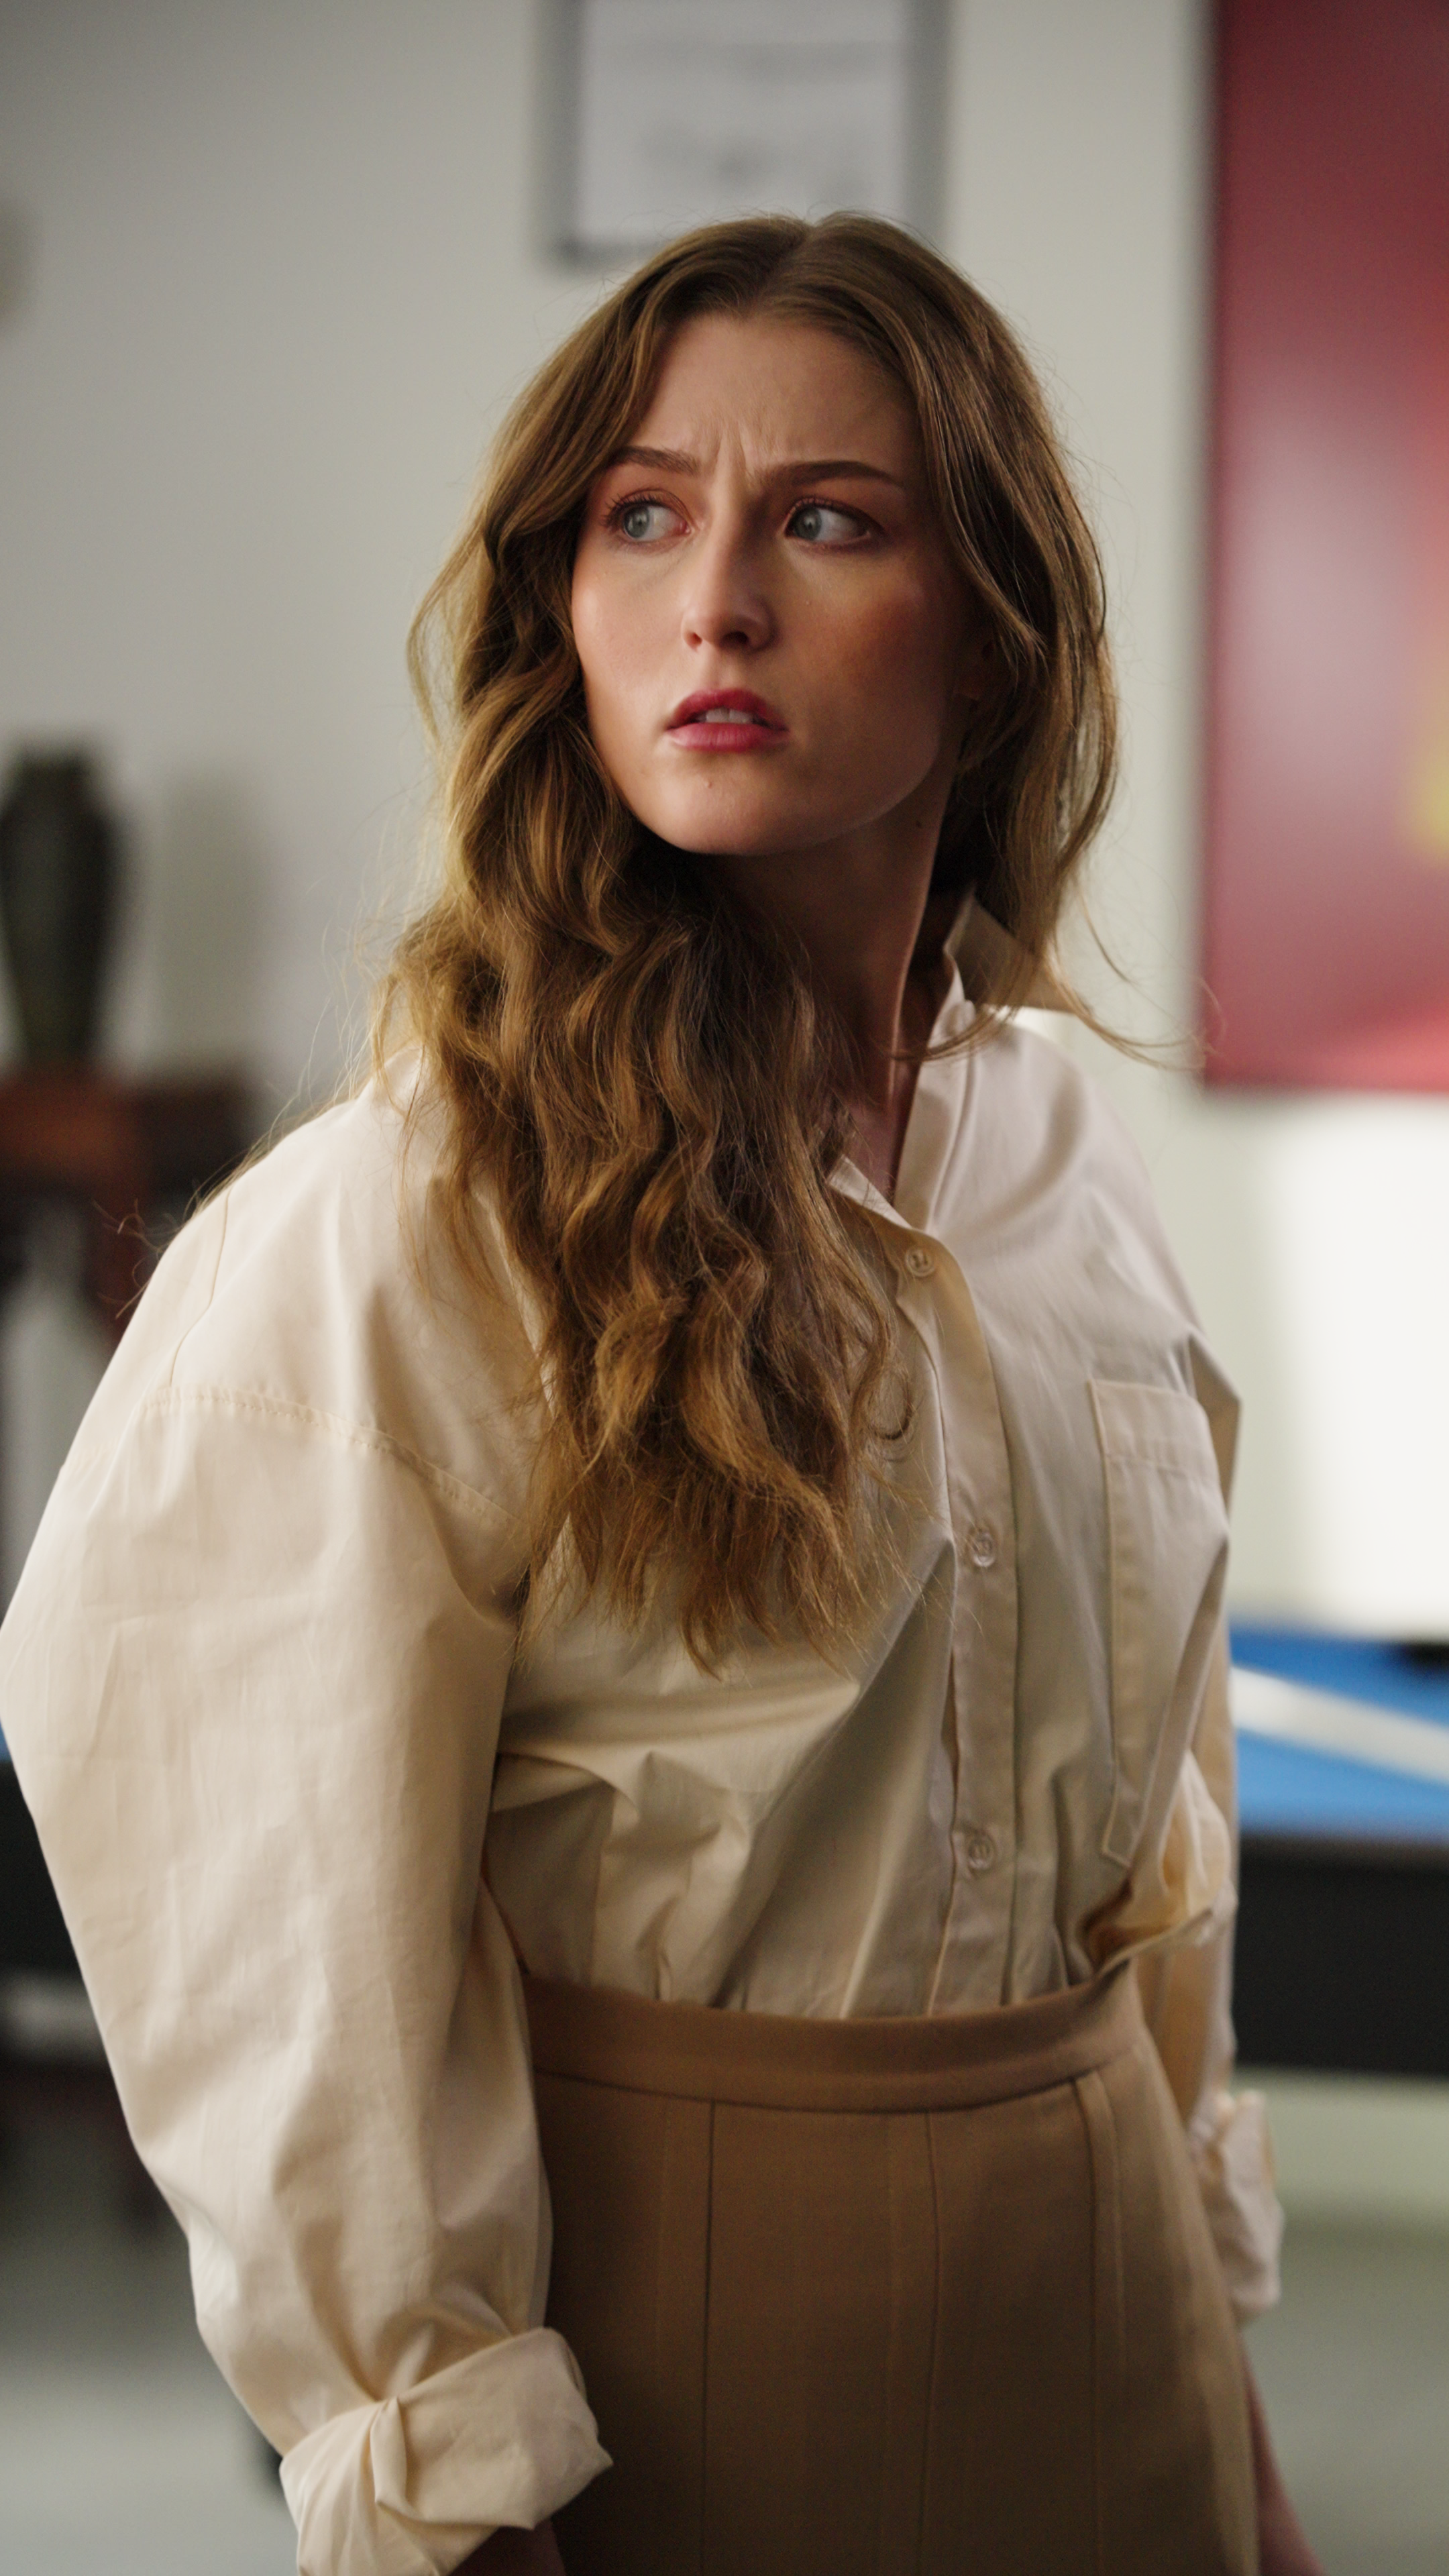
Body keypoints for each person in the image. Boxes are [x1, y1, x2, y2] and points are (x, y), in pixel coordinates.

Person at [0, 215, 1322, 2575]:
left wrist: (1226, 2416)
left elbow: (1165, 1837)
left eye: (826, 519)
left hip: (1113, 2321)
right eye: (641, 517)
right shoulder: (397, 1225)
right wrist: (448, 2488)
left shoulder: (1059, 1156)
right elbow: (271, 1960)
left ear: (1000, 640)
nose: (714, 598)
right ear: (564, 620)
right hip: (674, 2388)